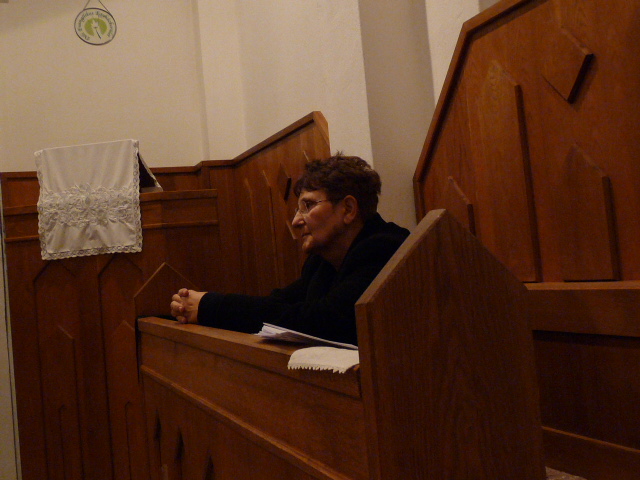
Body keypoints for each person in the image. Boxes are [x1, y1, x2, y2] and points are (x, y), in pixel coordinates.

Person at [170, 154, 410, 345]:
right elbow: (280, 303)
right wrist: (204, 306)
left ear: (348, 209)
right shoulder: (323, 261)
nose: (296, 221)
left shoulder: (385, 249)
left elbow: (322, 321)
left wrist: (211, 306)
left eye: (308, 205)